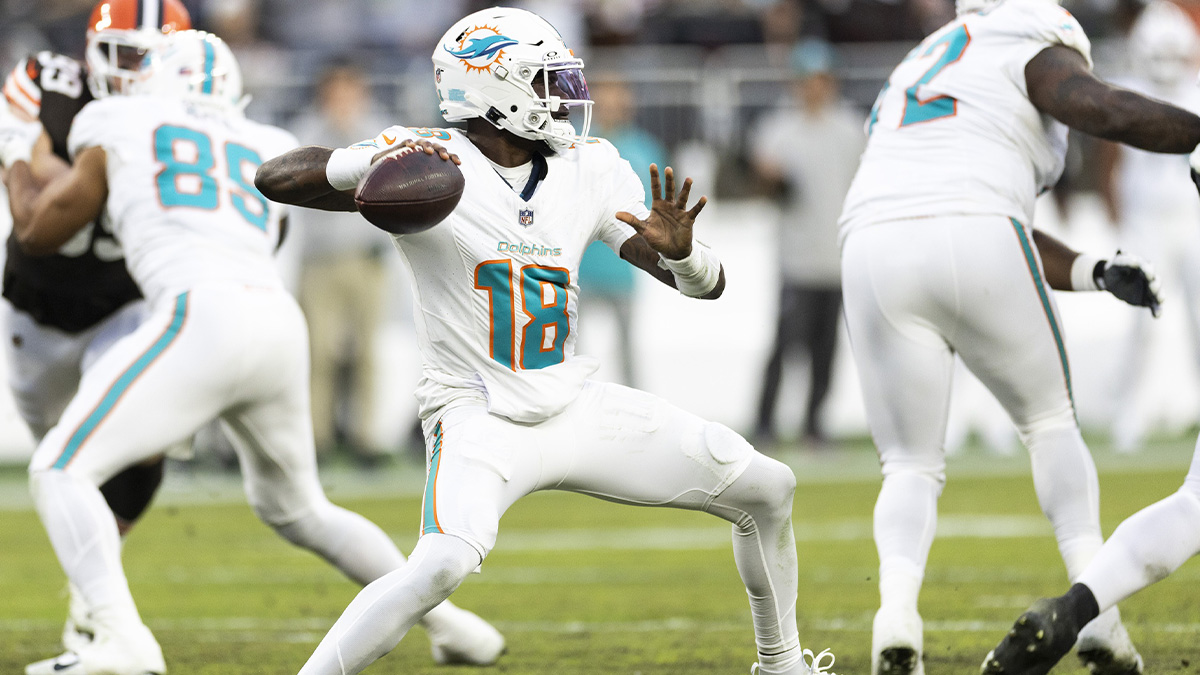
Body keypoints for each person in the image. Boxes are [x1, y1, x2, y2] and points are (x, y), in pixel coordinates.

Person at [256, 8, 830, 675]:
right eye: (545, 80)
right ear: (495, 88)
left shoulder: (591, 165)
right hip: (480, 415)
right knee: (442, 560)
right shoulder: (431, 163)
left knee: (768, 486)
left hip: (572, 405)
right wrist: (368, 163)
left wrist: (683, 255)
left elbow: (708, 286)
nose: (565, 97)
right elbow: (277, 177)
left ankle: (784, 665)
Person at [6, 30, 503, 675]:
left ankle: (119, 642)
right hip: (274, 320)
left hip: (197, 317)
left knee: (60, 469)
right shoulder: (266, 142)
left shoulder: (116, 118)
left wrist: (20, 149)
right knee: (301, 509)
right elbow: (269, 232)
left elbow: (40, 228)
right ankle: (458, 628)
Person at [836, 0, 1198, 672]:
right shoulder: (1031, 33)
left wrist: (1090, 268)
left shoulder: (923, 60)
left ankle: (896, 620)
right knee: (1051, 423)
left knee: (909, 464)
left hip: (868, 243)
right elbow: (1102, 109)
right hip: (973, 227)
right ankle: (1099, 623)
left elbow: (944, 202)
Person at [0, 0, 191, 653]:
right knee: (59, 455)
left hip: (124, 303)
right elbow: (42, 207)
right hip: (37, 309)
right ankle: (94, 593)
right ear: (92, 50)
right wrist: (88, 174)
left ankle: (94, 602)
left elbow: (63, 178)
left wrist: (60, 164)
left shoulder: (189, 108)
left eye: (151, 57)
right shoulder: (44, 78)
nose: (137, 72)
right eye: (126, 54)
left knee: (133, 447)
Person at [749, 39, 864, 448]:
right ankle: (764, 422)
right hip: (796, 259)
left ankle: (815, 424)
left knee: (826, 351)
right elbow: (764, 185)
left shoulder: (851, 129)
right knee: (784, 346)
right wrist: (770, 179)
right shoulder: (778, 130)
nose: (814, 87)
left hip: (835, 258)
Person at [1096, 1, 1200, 453]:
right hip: (1147, 223)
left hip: (1192, 221)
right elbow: (1109, 164)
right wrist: (1117, 220)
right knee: (1143, 322)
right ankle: (1127, 417)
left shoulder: (1198, 90)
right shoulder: (1130, 92)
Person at [289, 60, 394, 458]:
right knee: (321, 352)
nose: (344, 101)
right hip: (321, 259)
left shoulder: (380, 129)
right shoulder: (308, 133)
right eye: (336, 93)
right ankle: (317, 437)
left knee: (368, 351)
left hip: (368, 258)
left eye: (350, 92)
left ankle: (365, 436)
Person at [576, 77, 668, 388]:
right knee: (568, 353)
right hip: (576, 267)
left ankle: (637, 418)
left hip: (624, 268)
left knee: (628, 351)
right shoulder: (574, 142)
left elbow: (659, 205)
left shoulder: (644, 147)